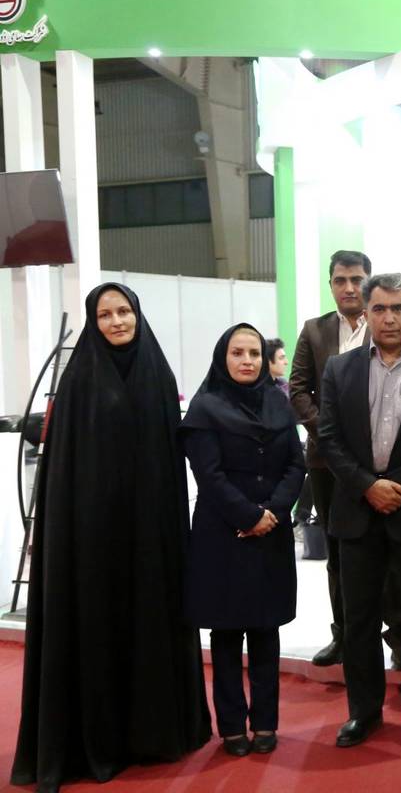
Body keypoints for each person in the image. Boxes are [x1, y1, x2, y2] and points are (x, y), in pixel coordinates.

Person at [11, 283, 211, 792]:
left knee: (148, 620)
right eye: (105, 314)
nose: (117, 321)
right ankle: (96, 739)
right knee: (95, 626)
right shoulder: (79, 380)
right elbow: (62, 472)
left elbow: (170, 464)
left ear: (137, 315)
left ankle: (152, 734)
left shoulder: (159, 375)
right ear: (93, 322)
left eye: (124, 311)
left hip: (149, 535)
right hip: (91, 538)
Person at [318, 272, 401, 749]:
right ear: (367, 313)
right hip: (357, 513)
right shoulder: (339, 369)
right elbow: (329, 438)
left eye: (398, 308)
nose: (389, 318)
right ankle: (364, 712)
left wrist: (397, 486)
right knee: (358, 620)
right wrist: (367, 486)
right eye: (379, 309)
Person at [180, 324, 305, 757]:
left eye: (254, 353)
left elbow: (296, 465)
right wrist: (249, 516)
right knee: (227, 634)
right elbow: (208, 475)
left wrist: (272, 513)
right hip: (223, 536)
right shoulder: (205, 407)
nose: (247, 361)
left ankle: (266, 723)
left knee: (266, 632)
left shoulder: (277, 402)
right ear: (223, 357)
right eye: (238, 353)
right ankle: (232, 726)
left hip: (271, 533)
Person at [290, 250, 398, 667]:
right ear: (331, 284)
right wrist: (332, 435)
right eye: (341, 280)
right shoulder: (314, 330)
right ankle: (345, 635)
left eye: (357, 279)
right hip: (326, 463)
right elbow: (298, 390)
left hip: (382, 463)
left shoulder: (387, 324)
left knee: (389, 551)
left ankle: (398, 636)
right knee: (337, 553)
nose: (350, 288)